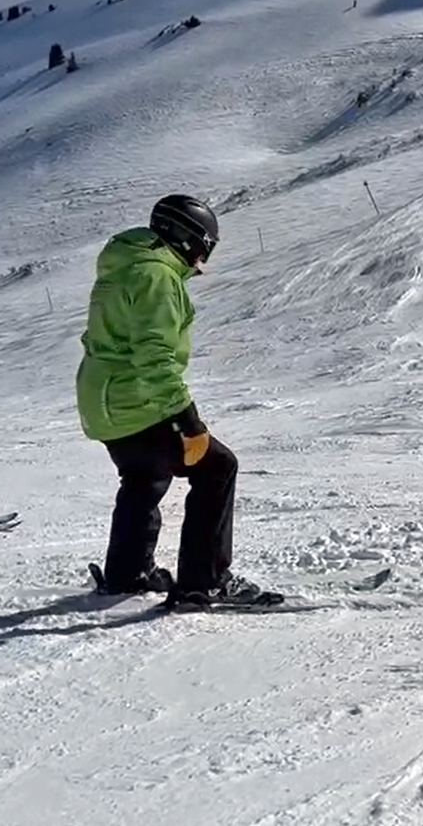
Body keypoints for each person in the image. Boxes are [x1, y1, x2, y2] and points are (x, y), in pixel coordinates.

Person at [76, 194, 280, 606]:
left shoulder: (125, 266)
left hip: (104, 402)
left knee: (144, 475)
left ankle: (127, 574)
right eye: (205, 245)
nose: (204, 257)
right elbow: (154, 356)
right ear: (187, 238)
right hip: (138, 397)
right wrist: (188, 419)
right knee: (217, 467)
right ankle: (203, 582)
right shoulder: (156, 276)